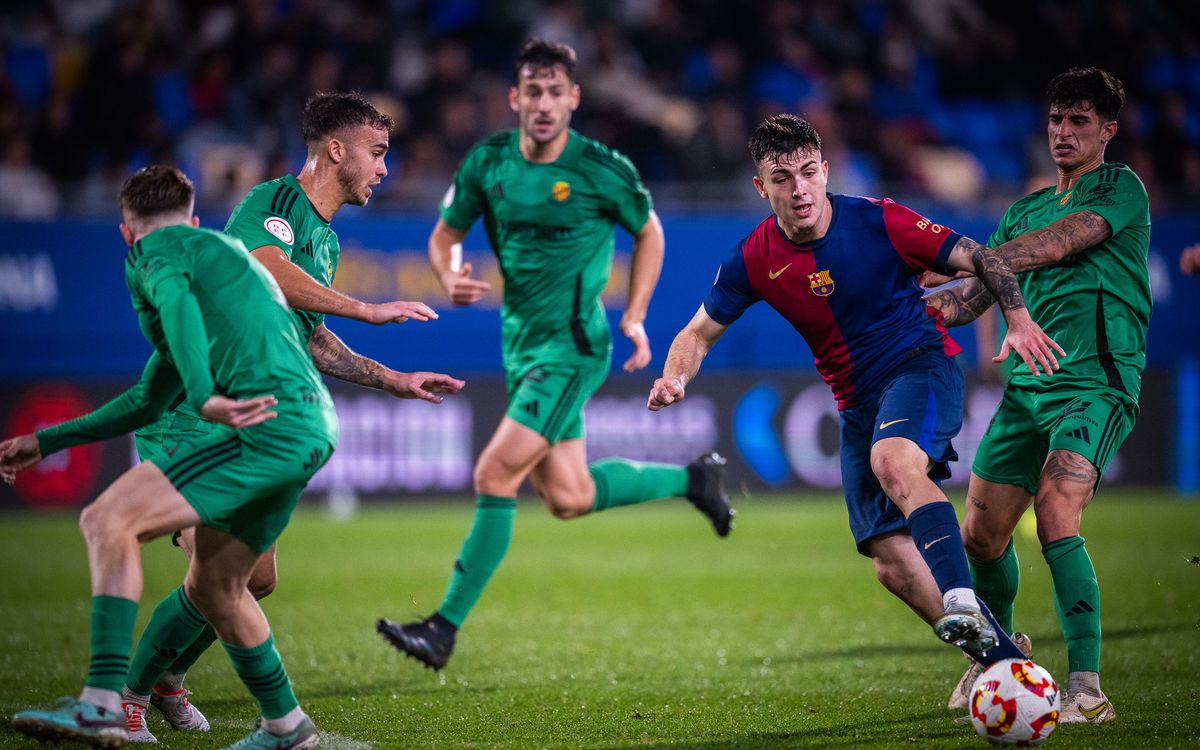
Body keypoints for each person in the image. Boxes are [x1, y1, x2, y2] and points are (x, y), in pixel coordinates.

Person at [647, 114, 1064, 678]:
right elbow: (696, 333)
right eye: (782, 178)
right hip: (856, 405)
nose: (799, 189)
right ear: (760, 187)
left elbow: (983, 256)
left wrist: (1016, 319)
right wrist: (677, 379)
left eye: (808, 172)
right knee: (891, 564)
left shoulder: (881, 221)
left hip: (921, 367)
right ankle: (1002, 663)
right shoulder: (753, 257)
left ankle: (963, 600)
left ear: (824, 170)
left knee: (893, 462)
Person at [376, 38, 734, 671]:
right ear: (515, 98)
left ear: (573, 98)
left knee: (493, 474)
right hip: (521, 351)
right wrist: (449, 271)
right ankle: (693, 478)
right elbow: (443, 238)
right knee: (567, 496)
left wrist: (635, 313)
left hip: (571, 350)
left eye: (554, 92)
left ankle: (443, 628)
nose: (543, 104)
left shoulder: (602, 168)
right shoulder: (488, 162)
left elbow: (649, 231)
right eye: (532, 92)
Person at [119, 91, 464, 742]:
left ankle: (163, 680)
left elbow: (308, 336)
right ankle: (124, 698)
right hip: (196, 411)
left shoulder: (325, 242)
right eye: (377, 154)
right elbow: (265, 270)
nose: (385, 170)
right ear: (337, 150)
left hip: (243, 419)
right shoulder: (274, 204)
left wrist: (394, 380)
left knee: (257, 578)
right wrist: (366, 308)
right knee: (215, 575)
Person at [4, 165, 334, 749]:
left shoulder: (156, 256)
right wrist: (47, 440)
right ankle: (286, 726)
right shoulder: (224, 253)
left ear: (126, 233)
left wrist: (205, 394)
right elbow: (149, 397)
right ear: (196, 219)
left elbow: (176, 308)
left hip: (261, 425)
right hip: (312, 425)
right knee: (219, 585)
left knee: (106, 520)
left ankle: (102, 704)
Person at [923, 67, 1150, 723]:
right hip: (1026, 392)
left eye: (1080, 121)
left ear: (1107, 130)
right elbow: (972, 297)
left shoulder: (1119, 188)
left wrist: (971, 258)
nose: (1064, 132)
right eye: (1057, 119)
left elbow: (1056, 245)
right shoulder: (1021, 210)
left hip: (1096, 382)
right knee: (981, 535)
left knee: (1056, 511)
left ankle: (1086, 687)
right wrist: (921, 304)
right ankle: (999, 653)